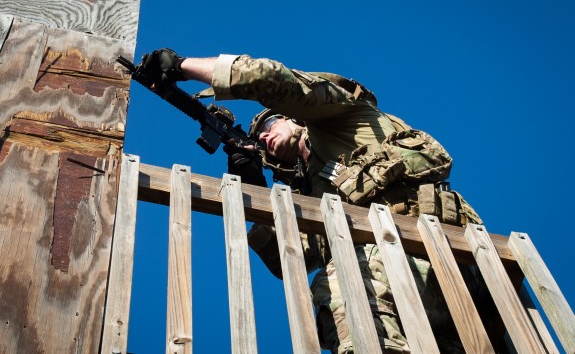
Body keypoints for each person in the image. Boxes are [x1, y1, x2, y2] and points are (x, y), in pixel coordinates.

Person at [140, 48, 490, 353]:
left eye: (268, 124)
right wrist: (254, 185)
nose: (262, 135)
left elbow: (273, 80)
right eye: (258, 138)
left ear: (293, 119)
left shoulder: (337, 117)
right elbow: (285, 258)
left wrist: (182, 66)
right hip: (411, 286)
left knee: (341, 285)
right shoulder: (309, 196)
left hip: (444, 253)